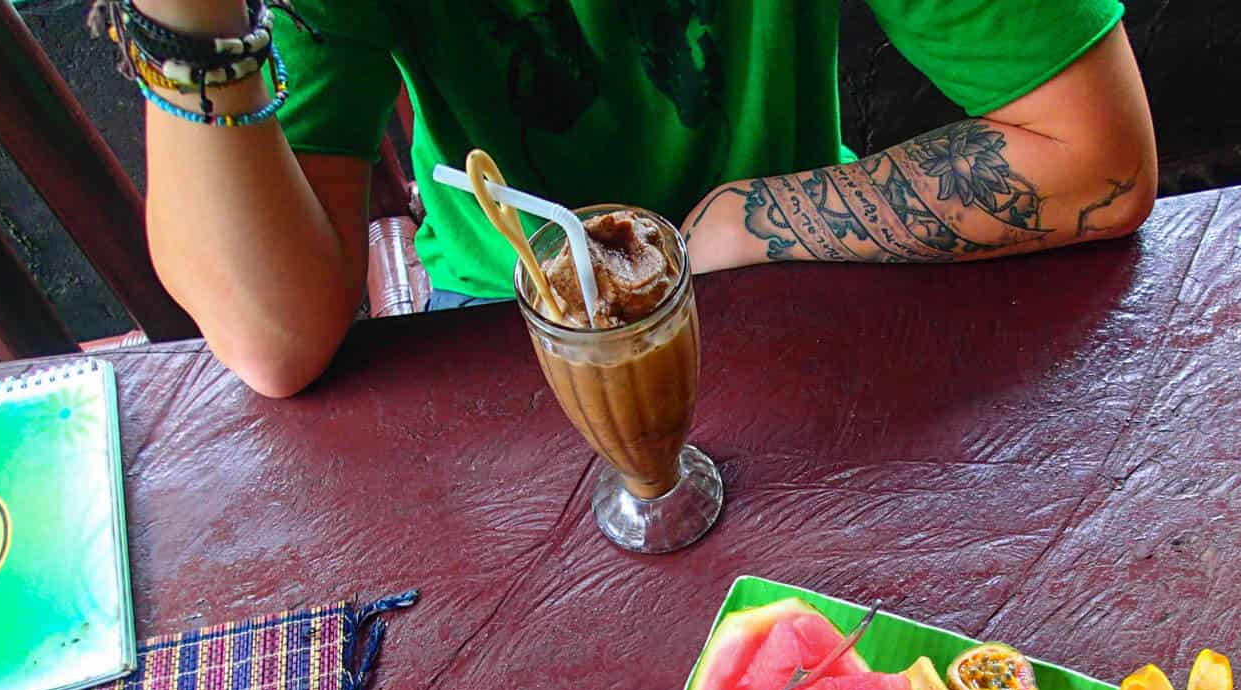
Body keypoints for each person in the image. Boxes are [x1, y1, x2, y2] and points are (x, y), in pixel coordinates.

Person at [118, 0, 1156, 397]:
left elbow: (1099, 161)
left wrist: (739, 223)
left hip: (795, 280)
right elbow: (273, 340)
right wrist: (181, 19)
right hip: (501, 324)